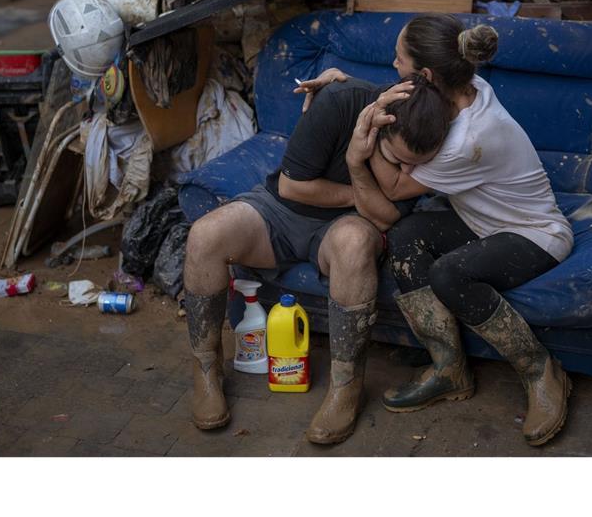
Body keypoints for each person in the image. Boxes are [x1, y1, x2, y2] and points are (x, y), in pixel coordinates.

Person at [294, 14, 575, 446]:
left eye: (399, 58)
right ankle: (449, 369)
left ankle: (541, 370)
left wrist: (363, 140)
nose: (392, 64)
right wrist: (343, 86)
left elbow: (391, 188)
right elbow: (405, 101)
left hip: (534, 233)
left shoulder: (467, 139)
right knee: (406, 238)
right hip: (481, 223)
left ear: (424, 75)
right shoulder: (466, 87)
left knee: (449, 273)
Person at [183, 74, 449, 445]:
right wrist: (363, 193)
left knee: (354, 241)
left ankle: (345, 386)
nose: (405, 175)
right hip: (282, 208)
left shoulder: (431, 138)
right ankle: (206, 369)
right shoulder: (340, 102)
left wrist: (358, 165)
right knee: (205, 236)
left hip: (345, 227)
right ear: (377, 123)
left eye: (415, 167)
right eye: (396, 160)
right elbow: (293, 187)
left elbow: (386, 218)